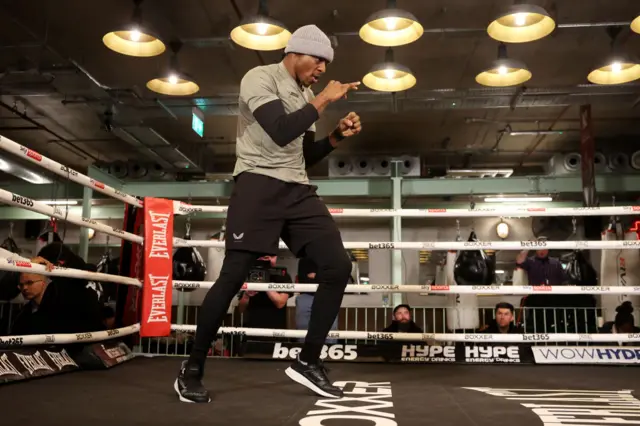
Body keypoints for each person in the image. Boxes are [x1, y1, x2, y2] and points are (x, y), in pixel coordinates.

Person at [175, 24, 362, 403]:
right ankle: (191, 369)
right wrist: (324, 100)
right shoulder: (260, 78)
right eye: (318, 60)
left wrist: (336, 137)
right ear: (295, 52)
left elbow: (301, 155)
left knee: (338, 266)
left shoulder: (306, 95)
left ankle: (307, 362)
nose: (322, 69)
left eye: (326, 63)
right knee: (232, 279)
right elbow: (278, 130)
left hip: (297, 190)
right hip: (258, 185)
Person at [295, 256, 339, 343]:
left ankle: (330, 353)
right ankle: (304, 354)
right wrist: (322, 276)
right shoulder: (305, 259)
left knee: (330, 331)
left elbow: (334, 277)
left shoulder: (332, 258)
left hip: (328, 297)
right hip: (306, 296)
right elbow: (302, 278)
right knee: (303, 330)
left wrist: (316, 276)